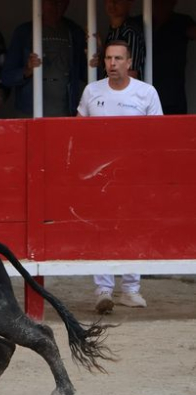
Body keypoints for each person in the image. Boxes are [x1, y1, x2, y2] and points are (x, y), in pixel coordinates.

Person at [77, 39, 162, 314]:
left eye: (118, 59)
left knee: (133, 226)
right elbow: (79, 131)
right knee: (101, 227)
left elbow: (158, 133)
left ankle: (130, 289)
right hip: (100, 172)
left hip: (134, 171)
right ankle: (103, 289)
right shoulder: (92, 91)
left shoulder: (146, 92)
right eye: (108, 59)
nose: (112, 64)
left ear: (129, 63)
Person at [2, 0, 88, 117]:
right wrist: (27, 70)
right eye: (52, 2)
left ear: (67, 4)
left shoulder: (74, 32)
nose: (57, 6)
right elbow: (7, 77)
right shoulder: (24, 32)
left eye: (61, 3)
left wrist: (95, 56)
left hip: (66, 113)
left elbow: (87, 75)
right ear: (41, 3)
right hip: (30, 115)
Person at [137, 0, 196, 114]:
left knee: (175, 129)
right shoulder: (140, 21)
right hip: (142, 91)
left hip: (173, 92)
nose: (161, 4)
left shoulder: (181, 21)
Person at [90, 0, 145, 80]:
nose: (112, 3)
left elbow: (131, 75)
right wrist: (100, 54)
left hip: (125, 92)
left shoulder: (130, 32)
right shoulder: (113, 32)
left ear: (129, 3)